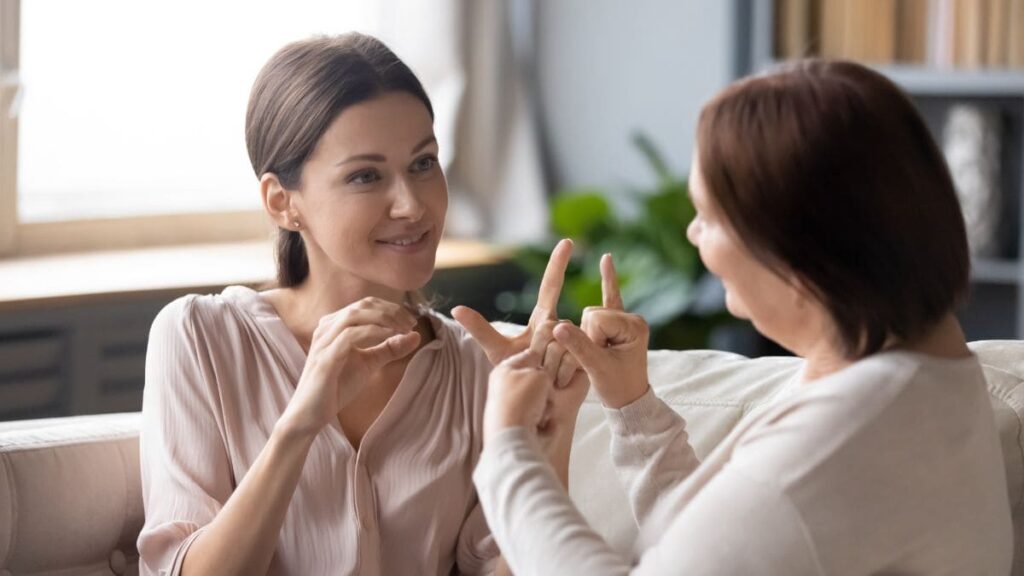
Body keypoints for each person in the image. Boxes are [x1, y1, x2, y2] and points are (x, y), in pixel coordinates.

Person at [473, 59, 1014, 574]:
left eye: (707, 217)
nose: (691, 235)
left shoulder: (847, 437)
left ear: (797, 252)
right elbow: (723, 549)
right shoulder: (917, 368)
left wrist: (507, 449)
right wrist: (632, 406)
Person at [137, 33, 586, 576]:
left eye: (423, 163)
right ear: (283, 203)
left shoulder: (475, 365)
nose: (413, 204)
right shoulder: (200, 337)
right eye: (366, 176)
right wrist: (301, 423)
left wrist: (546, 440)